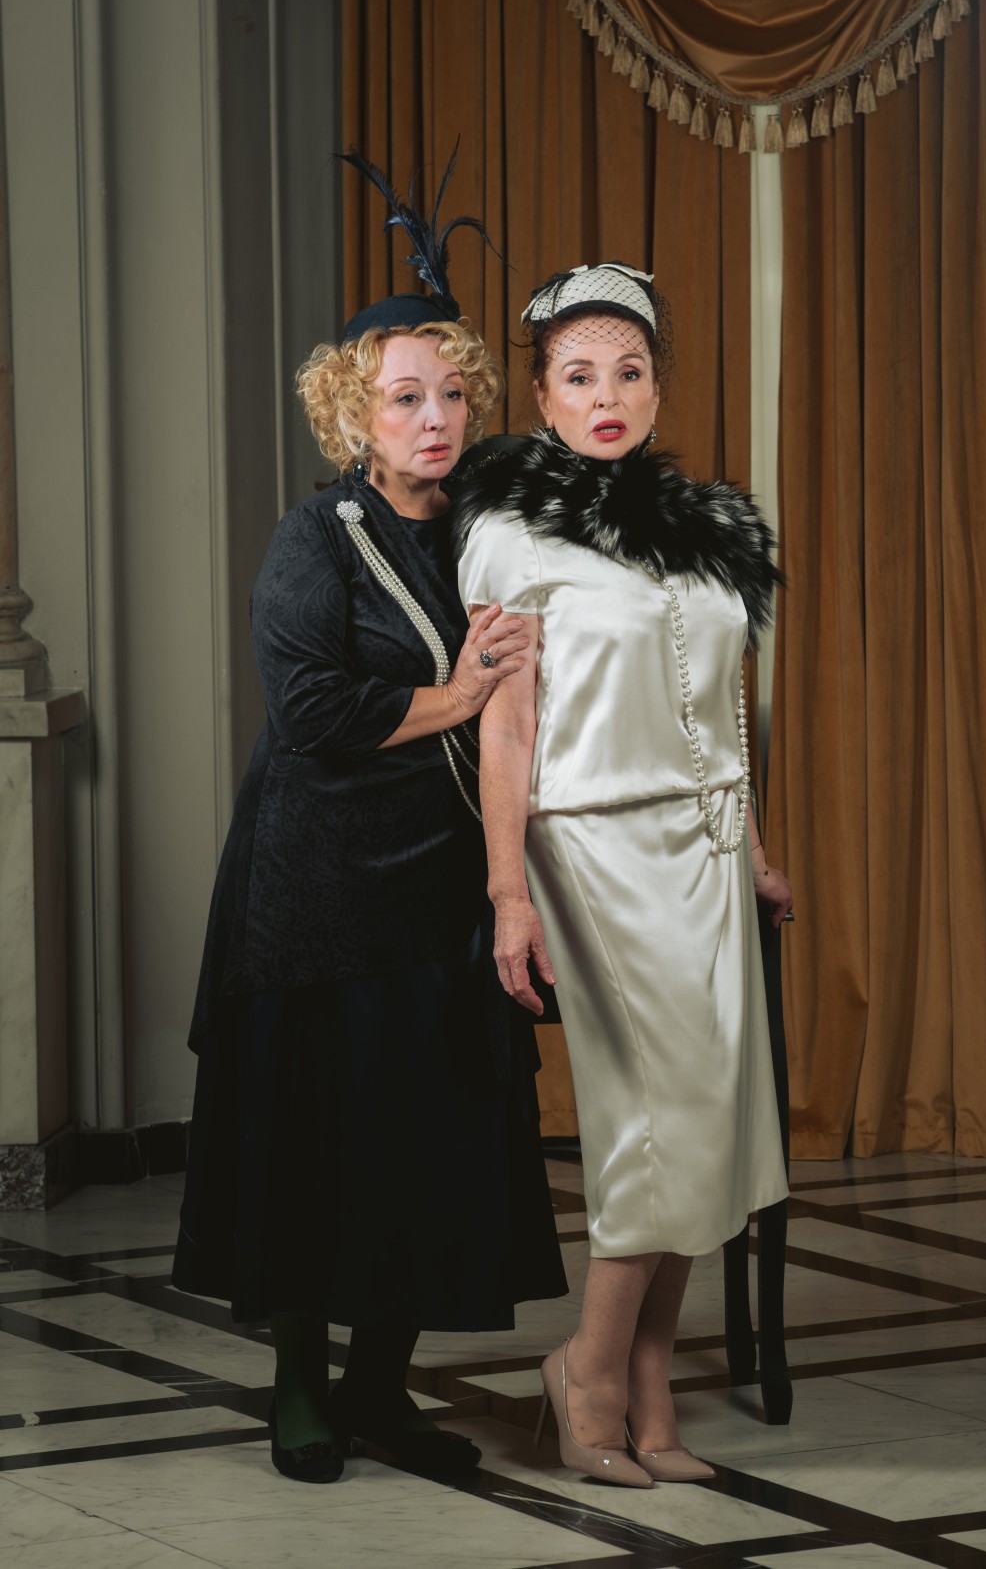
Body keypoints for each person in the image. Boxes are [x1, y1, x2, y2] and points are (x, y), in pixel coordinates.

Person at [172, 157, 566, 1485]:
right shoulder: (314, 539)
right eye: (406, 397)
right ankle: (298, 1384)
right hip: (312, 884)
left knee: (428, 1140)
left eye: (452, 393)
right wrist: (457, 694)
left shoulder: (487, 534)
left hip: (439, 881)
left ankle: (381, 1387)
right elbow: (312, 710)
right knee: (313, 1143)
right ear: (356, 411)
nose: (435, 418)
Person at [453, 262, 792, 1488]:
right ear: (543, 396)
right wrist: (508, 890)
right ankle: (587, 1368)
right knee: (664, 1112)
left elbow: (722, 703)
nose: (607, 396)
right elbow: (505, 726)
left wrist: (752, 845)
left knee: (718, 1120)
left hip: (706, 845)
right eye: (579, 375)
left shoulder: (704, 530)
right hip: (594, 842)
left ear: (658, 387)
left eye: (629, 372)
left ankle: (652, 1390)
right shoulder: (509, 533)